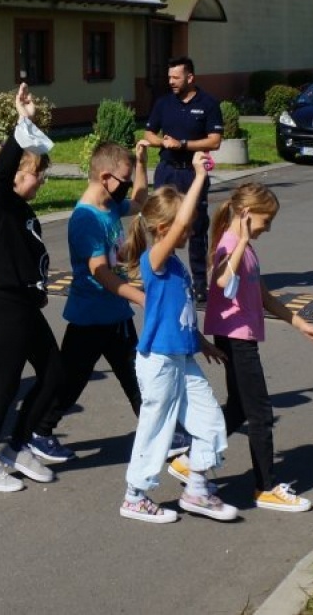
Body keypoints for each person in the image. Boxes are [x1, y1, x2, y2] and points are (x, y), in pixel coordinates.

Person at [119, 150, 237, 524]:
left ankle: (197, 490)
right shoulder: (154, 259)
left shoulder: (176, 266)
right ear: (161, 230)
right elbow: (183, 216)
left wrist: (200, 343)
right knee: (157, 427)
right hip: (158, 361)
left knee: (211, 422)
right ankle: (135, 495)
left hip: (183, 357)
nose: (189, 231)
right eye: (183, 228)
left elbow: (180, 314)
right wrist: (200, 177)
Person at [195, 183, 313, 512]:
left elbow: (264, 295)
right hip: (236, 338)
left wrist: (299, 323)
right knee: (261, 414)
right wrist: (241, 239)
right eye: (265, 221)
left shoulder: (246, 248)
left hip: (243, 335)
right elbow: (223, 280)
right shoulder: (230, 244)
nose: (268, 228)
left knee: (240, 408)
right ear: (246, 214)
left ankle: (191, 460)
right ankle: (265, 487)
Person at [0, 83, 64, 494]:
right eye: (37, 174)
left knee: (55, 374)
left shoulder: (19, 208)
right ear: (18, 173)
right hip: (4, 309)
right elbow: (3, 172)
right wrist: (22, 120)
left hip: (25, 305)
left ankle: (16, 446)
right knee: (4, 387)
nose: (41, 181)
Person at [27, 138, 149, 463]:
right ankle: (38, 432)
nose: (126, 186)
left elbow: (139, 201)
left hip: (115, 313)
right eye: (123, 178)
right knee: (70, 380)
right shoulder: (86, 219)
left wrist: (142, 162)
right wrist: (139, 296)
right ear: (105, 176)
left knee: (136, 374)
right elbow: (99, 271)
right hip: (91, 316)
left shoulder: (110, 206)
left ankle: (161, 431)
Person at [143, 57, 223, 300]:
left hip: (192, 173)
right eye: (169, 78)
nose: (171, 82)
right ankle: (166, 275)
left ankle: (200, 284)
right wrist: (161, 142)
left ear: (190, 77)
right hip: (167, 170)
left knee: (196, 227)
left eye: (176, 78)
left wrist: (183, 145)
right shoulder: (164, 103)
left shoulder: (208, 104)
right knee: (162, 225)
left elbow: (214, 141)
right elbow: (149, 132)